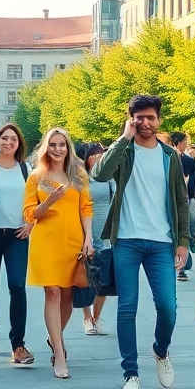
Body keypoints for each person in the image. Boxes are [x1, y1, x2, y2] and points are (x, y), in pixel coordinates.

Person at [94, 94, 192, 389]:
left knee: (168, 307)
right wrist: (124, 138)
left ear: (159, 119)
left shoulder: (169, 156)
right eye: (139, 118)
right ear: (131, 118)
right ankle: (130, 374)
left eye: (150, 117)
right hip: (127, 239)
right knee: (127, 308)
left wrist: (184, 242)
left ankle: (160, 350)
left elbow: (180, 200)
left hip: (162, 241)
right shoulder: (124, 151)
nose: (145, 123)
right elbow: (100, 173)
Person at [23, 128, 94, 379]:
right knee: (52, 293)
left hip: (73, 239)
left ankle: (55, 337)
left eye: (62, 145)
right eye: (52, 144)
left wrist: (89, 238)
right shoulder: (36, 177)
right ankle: (60, 354)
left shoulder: (79, 174)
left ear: (68, 147)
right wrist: (49, 201)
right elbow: (30, 214)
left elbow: (86, 208)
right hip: (45, 241)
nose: (57, 149)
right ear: (45, 147)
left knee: (68, 296)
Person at [0, 123, 35, 365]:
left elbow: (35, 201)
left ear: (19, 143)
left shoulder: (26, 169)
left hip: (17, 236)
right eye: (4, 138)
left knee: (17, 287)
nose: (9, 142)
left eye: (13, 139)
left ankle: (18, 344)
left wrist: (30, 224)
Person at [80, 142, 113, 335]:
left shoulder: (108, 177)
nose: (99, 158)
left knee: (103, 279)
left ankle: (96, 317)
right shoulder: (80, 179)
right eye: (95, 155)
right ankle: (86, 318)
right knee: (86, 278)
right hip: (86, 233)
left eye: (102, 155)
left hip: (106, 233)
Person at [172, 131, 195, 281]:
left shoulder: (188, 161)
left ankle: (182, 267)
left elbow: (192, 179)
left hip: (186, 199)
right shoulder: (168, 158)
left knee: (187, 226)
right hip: (171, 201)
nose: (186, 144)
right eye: (184, 142)